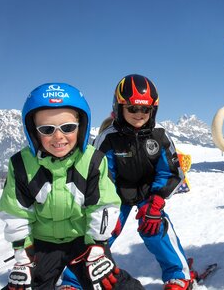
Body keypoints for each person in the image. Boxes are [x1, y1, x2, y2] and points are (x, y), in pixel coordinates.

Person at [0, 83, 144, 290]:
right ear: (33, 131)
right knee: (25, 285)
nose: (58, 137)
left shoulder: (93, 161)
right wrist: (23, 255)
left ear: (81, 127)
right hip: (42, 243)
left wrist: (97, 246)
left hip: (84, 239)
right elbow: (16, 212)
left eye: (68, 128)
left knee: (108, 281)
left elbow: (103, 205)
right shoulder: (21, 165)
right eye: (47, 129)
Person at [61, 74, 194, 290]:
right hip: (117, 195)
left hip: (149, 193)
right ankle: (73, 280)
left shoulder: (159, 136)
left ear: (153, 110)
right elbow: (102, 175)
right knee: (100, 229)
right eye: (132, 108)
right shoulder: (109, 137)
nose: (139, 114)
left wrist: (157, 201)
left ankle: (178, 275)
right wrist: (107, 207)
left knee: (155, 226)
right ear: (120, 106)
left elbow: (170, 171)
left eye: (145, 109)